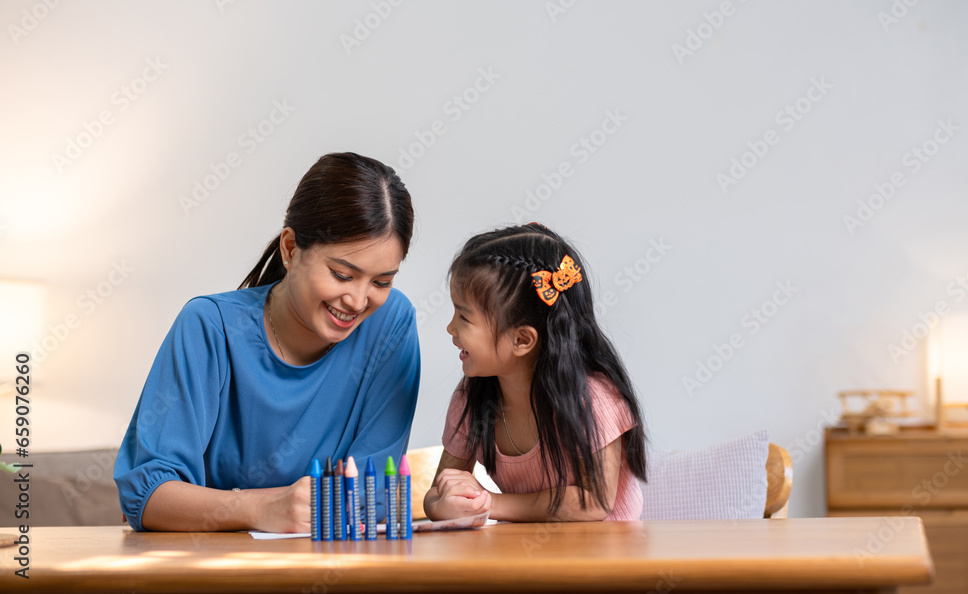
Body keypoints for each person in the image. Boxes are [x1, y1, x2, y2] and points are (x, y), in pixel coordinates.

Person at [114, 152, 420, 533]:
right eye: (342, 275)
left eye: (381, 282)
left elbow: (371, 496)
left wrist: (224, 500)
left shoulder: (390, 323)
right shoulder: (210, 328)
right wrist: (261, 509)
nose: (358, 302)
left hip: (334, 569)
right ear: (290, 249)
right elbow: (149, 498)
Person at [423, 223, 646, 522]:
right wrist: (443, 506)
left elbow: (594, 501)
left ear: (521, 340)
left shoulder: (594, 398)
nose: (450, 328)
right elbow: (439, 492)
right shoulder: (471, 397)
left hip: (606, 562)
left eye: (464, 316)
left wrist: (491, 503)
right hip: (529, 561)